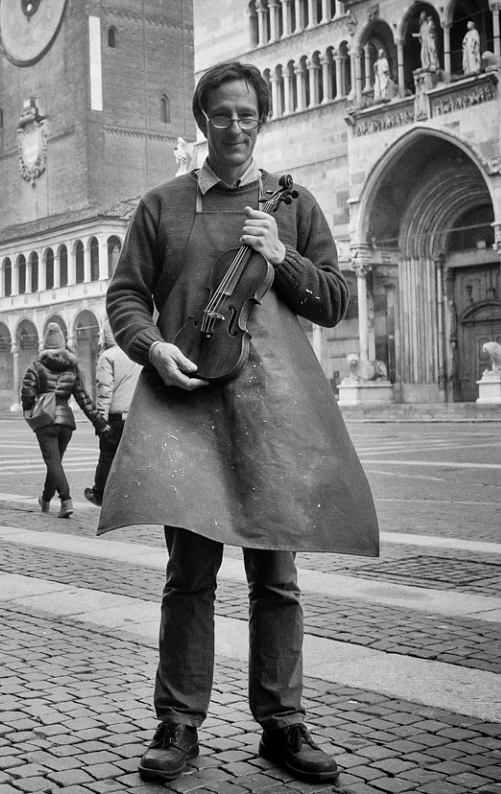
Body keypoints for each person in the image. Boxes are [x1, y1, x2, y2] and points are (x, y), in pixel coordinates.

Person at [99, 61, 379, 785]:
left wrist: (282, 257)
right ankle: (179, 722)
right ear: (203, 121)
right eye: (221, 114)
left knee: (276, 577)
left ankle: (282, 724)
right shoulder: (161, 206)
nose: (234, 127)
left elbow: (333, 301)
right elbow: (126, 297)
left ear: (263, 119)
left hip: (274, 411)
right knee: (188, 575)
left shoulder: (295, 205)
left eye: (247, 115)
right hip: (188, 403)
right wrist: (151, 347)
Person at [21, 322, 109, 518]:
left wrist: (29, 410)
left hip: (45, 420)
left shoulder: (36, 367)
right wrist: (100, 424)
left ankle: (66, 500)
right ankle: (45, 499)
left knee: (53, 463)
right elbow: (84, 399)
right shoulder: (71, 369)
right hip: (66, 423)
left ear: (46, 345)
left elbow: (27, 395)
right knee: (56, 463)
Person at [85, 321, 141, 507]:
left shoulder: (108, 356)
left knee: (107, 457)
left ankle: (99, 494)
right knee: (130, 458)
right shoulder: (136, 355)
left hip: (114, 418)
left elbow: (104, 391)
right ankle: (130, 496)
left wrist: (101, 420)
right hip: (134, 416)